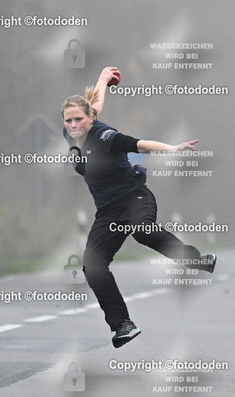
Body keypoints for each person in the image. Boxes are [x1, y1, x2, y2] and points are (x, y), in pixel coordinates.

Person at [62, 67, 217, 348]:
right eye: (69, 120)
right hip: (108, 212)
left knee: (143, 231)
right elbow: (95, 102)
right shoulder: (72, 132)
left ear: (90, 120)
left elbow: (140, 145)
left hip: (134, 197)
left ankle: (194, 259)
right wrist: (103, 79)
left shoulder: (106, 137)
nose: (73, 125)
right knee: (92, 266)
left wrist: (172, 149)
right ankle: (123, 325)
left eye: (78, 119)